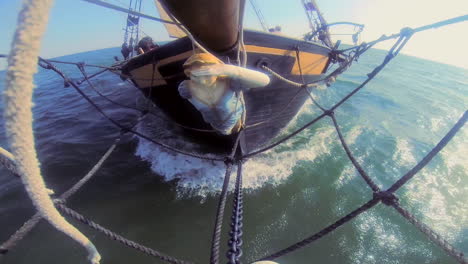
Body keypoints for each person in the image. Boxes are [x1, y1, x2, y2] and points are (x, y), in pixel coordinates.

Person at [178, 53, 270, 135]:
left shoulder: (228, 82)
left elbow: (265, 81)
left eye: (207, 74)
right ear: (188, 74)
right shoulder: (186, 89)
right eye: (195, 76)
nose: (202, 81)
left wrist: (228, 70)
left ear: (217, 72)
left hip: (235, 123)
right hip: (215, 126)